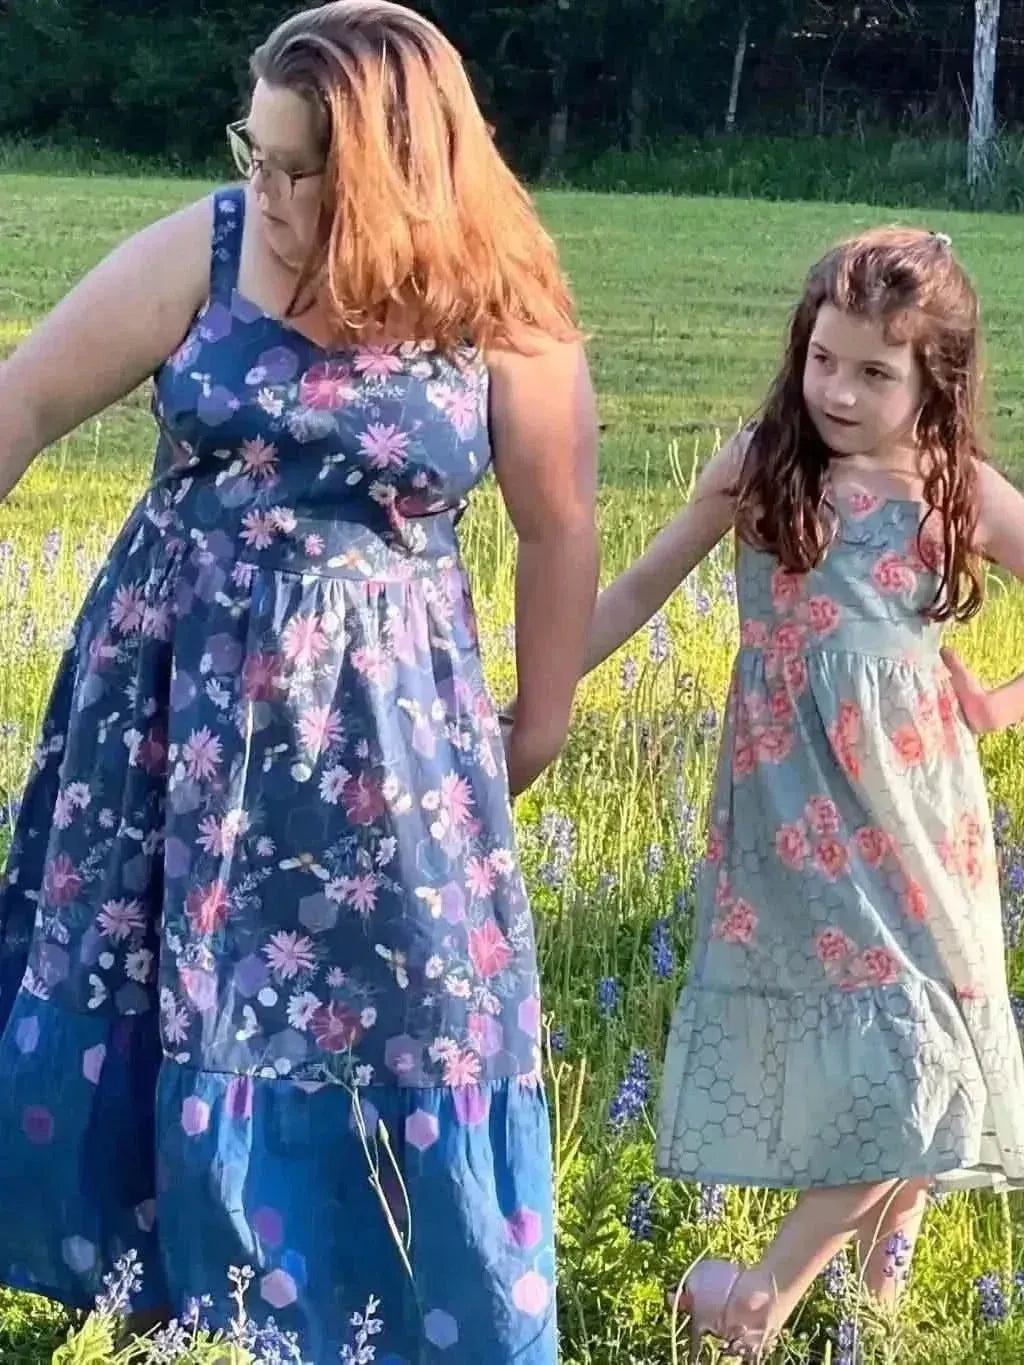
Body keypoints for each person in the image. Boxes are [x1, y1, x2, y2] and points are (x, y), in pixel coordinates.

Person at [0, 3, 598, 1360]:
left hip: (386, 743)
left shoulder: (501, 304)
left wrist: (545, 716)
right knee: (154, 979)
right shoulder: (210, 250)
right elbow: (22, 400)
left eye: (293, 168)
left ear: (391, 171)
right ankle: (163, 1301)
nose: (259, 189)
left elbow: (559, 524)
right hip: (169, 719)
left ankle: (389, 1307)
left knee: (408, 1012)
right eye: (251, 152)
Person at [580, 226, 1024, 1357]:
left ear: (934, 381)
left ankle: (799, 1305)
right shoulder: (762, 467)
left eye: (875, 372)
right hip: (796, 818)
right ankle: (805, 1308)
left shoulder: (953, 491)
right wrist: (534, 698)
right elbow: (636, 587)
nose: (839, 391)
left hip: (920, 816)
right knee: (895, 1058)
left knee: (926, 1053)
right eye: (824, 359)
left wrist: (999, 705)